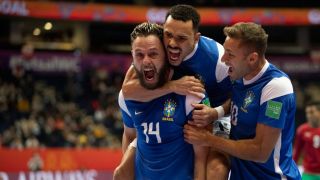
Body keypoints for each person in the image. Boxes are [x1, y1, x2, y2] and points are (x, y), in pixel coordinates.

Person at [117, 4, 233, 180]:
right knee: (121, 172)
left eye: (181, 38)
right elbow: (127, 90)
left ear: (196, 38)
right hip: (174, 109)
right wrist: (173, 86)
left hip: (218, 116)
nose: (172, 43)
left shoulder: (218, 59)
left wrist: (216, 112)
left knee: (216, 170)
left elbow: (240, 96)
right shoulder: (156, 48)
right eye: (169, 34)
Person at [184, 22, 302, 179]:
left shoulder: (276, 88)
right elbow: (237, 100)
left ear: (252, 59)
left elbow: (260, 151)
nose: (224, 59)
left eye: (230, 54)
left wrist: (208, 140)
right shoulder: (240, 76)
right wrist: (216, 112)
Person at [293, 101, 320, 179]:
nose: (308, 115)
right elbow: (296, 152)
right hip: (309, 173)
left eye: (311, 112)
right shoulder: (302, 130)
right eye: (307, 113)